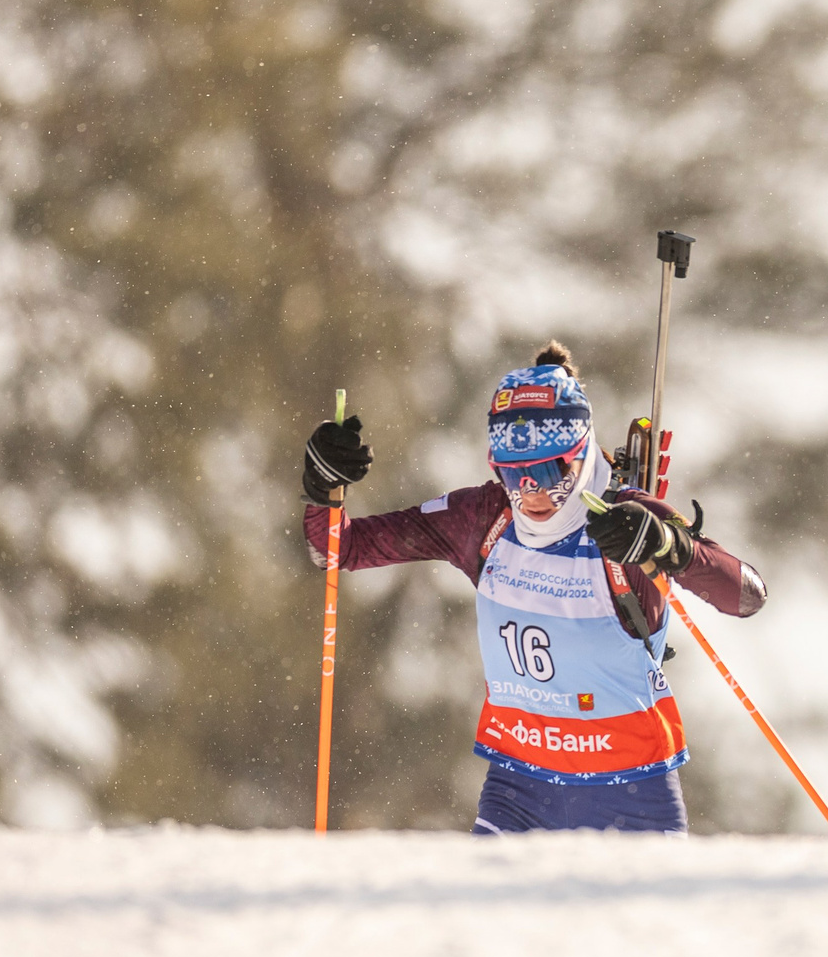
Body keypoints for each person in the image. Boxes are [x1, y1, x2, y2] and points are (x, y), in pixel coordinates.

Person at [298, 341, 767, 834]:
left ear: (581, 454)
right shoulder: (484, 517)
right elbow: (337, 550)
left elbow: (747, 596)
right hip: (518, 793)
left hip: (630, 795)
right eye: (513, 472)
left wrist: (670, 546)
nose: (532, 492)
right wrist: (322, 487)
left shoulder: (628, 520)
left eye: (547, 470)